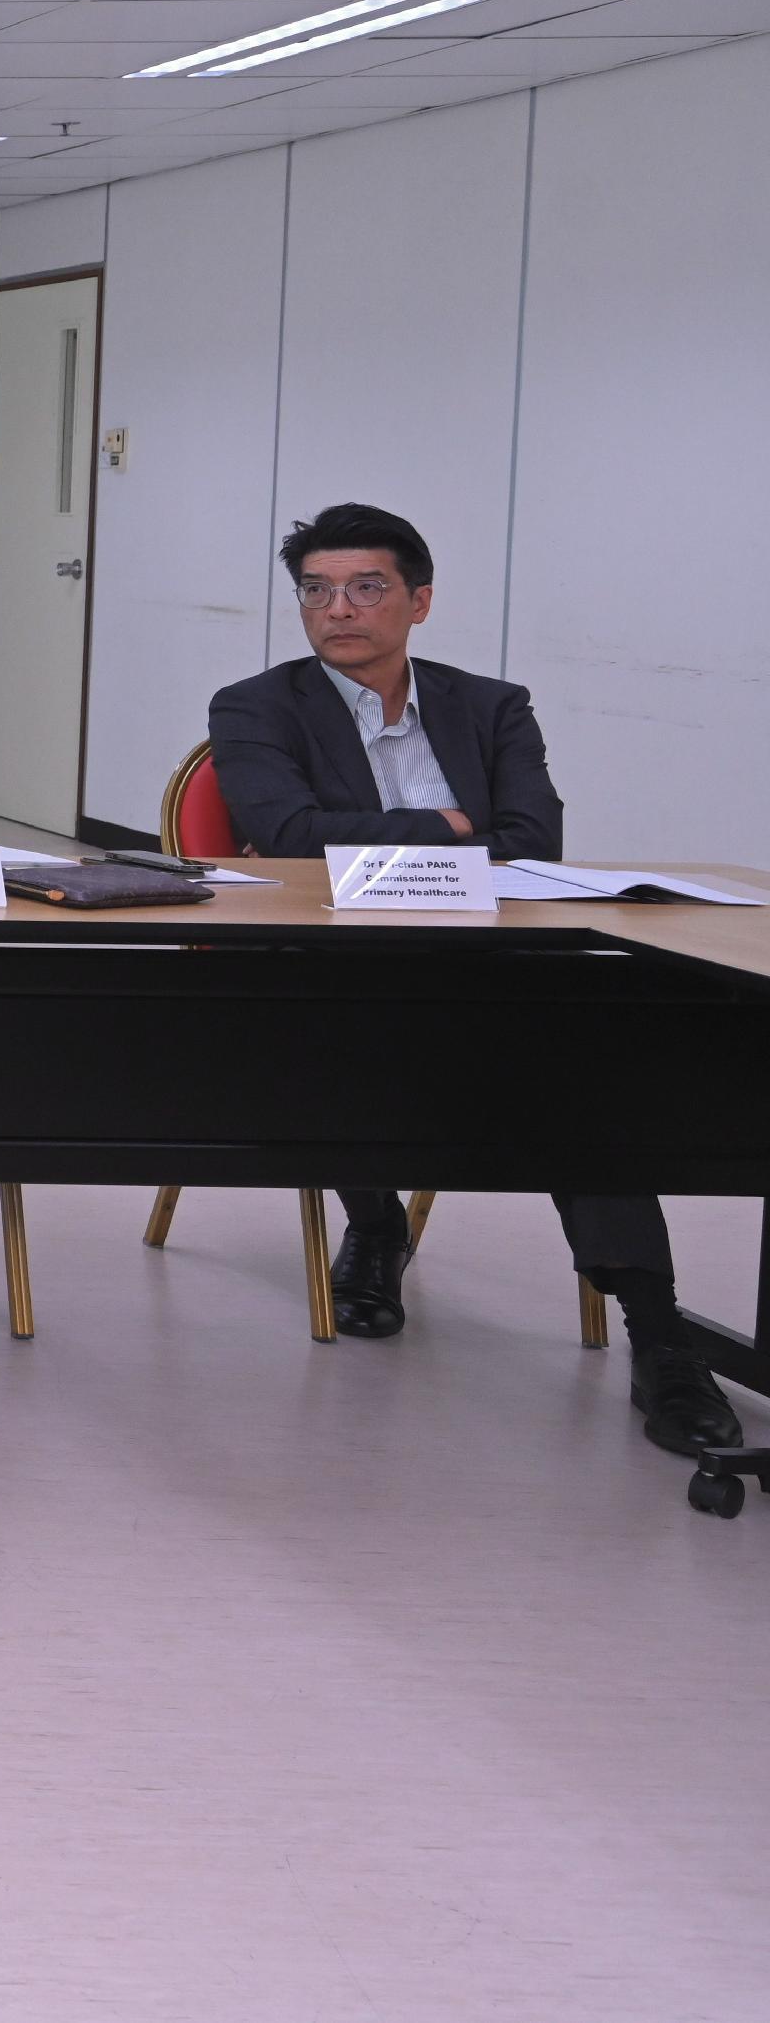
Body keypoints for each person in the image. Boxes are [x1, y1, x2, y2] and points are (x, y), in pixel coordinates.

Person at [207, 502, 739, 1456]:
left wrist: (387, 836)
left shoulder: (491, 705)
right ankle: (375, 1227)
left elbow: (536, 845)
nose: (338, 610)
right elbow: (287, 839)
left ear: (419, 601)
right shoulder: (256, 705)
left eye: (365, 588)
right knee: (328, 1041)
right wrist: (455, 828)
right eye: (315, 591)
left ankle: (660, 1342)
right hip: (335, 958)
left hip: (489, 961)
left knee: (586, 1092)